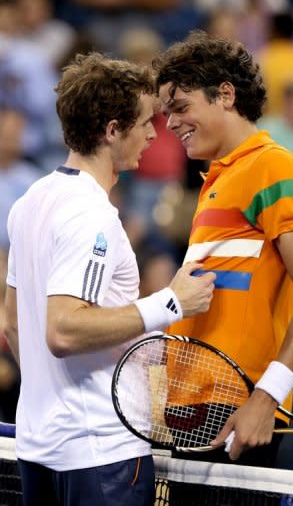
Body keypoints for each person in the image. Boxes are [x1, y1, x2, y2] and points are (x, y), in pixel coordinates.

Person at [3, 51, 216, 506]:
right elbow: (63, 330)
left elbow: (12, 323)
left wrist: (52, 398)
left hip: (40, 448)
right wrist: (170, 302)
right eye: (142, 122)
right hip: (99, 454)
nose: (153, 133)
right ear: (112, 130)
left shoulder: (30, 201)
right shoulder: (92, 216)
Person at [152, 30, 293, 469]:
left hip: (236, 407)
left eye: (181, 107)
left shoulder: (274, 167)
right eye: (166, 113)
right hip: (190, 406)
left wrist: (264, 398)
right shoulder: (217, 180)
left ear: (226, 95)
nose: (171, 123)